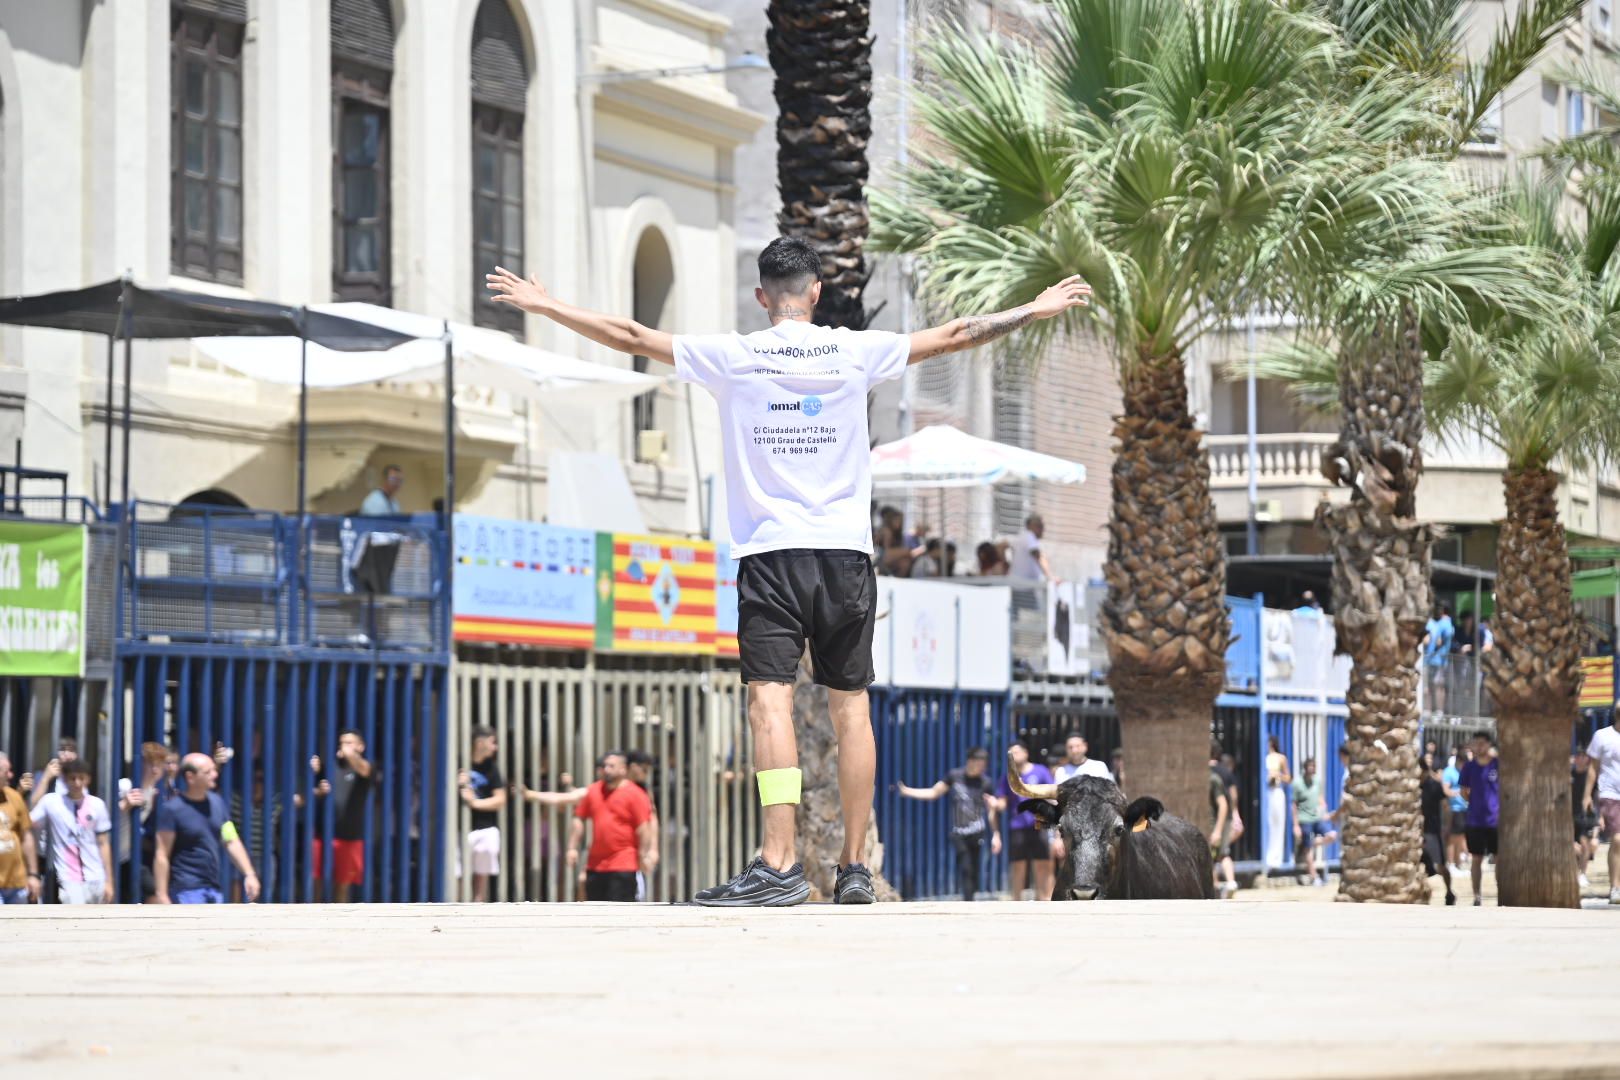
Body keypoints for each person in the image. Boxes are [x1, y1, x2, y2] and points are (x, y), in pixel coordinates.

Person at [488, 238, 1090, 906]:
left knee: (768, 702)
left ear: (760, 296)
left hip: (770, 555)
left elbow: (631, 333)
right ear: (816, 291)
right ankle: (855, 866)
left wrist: (545, 305)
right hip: (845, 556)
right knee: (851, 709)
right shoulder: (855, 350)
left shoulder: (733, 355)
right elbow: (952, 335)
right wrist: (1031, 311)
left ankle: (778, 864)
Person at [153, 753, 260, 904]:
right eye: (208, 772)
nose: (215, 775)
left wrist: (249, 874)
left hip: (213, 888)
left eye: (214, 770)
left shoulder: (217, 803)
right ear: (190, 777)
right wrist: (162, 895)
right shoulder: (173, 810)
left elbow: (231, 840)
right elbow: (162, 854)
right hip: (185, 889)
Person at [896, 747, 1002, 901]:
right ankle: (968, 902)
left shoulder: (985, 783)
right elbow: (934, 792)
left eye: (984, 764)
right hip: (958, 832)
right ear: (970, 761)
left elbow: (992, 811)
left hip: (977, 832)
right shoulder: (955, 776)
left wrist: (996, 834)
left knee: (974, 870)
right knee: (966, 867)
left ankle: (970, 898)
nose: (982, 767)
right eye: (979, 763)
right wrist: (907, 791)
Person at [567, 752, 656, 902]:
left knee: (620, 914)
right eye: (605, 766)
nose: (606, 769)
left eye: (611, 766)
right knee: (595, 912)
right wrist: (572, 848)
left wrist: (643, 856)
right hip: (595, 865)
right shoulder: (593, 791)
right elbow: (578, 819)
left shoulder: (636, 794)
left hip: (624, 864)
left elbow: (644, 828)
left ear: (623, 769)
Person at [30, 760, 113, 904]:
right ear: (64, 779)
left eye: (81, 778)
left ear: (88, 779)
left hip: (96, 877)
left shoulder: (97, 804)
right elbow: (29, 820)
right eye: (72, 778)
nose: (77, 783)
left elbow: (104, 844)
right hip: (68, 878)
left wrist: (109, 881)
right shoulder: (52, 802)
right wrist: (45, 779)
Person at [311, 729, 375, 902]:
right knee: (316, 880)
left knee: (342, 884)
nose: (344, 747)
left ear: (361, 746)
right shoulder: (331, 767)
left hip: (349, 837)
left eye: (349, 743)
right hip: (323, 834)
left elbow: (365, 769)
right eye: (342, 743)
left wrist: (350, 756)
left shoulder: (365, 769)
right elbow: (314, 789)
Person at [996, 742, 1057, 901]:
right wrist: (995, 804)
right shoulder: (1008, 776)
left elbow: (1052, 794)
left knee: (1042, 864)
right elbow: (1002, 802)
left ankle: (1044, 899)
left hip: (1040, 823)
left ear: (1026, 753)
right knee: (1018, 865)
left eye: (1016, 752)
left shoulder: (1040, 770)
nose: (1013, 756)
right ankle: (1016, 900)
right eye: (1010, 753)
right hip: (1018, 826)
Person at [459, 726, 506, 903]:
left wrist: (474, 803)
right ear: (480, 742)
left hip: (485, 828)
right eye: (493, 742)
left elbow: (500, 800)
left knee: (481, 881)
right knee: (459, 876)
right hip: (460, 829)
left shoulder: (491, 768)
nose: (496, 748)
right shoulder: (459, 762)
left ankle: (477, 916)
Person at [1582, 711, 1620, 904]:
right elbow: (1593, 768)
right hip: (1610, 794)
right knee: (1617, 839)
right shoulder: (1602, 736)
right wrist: (1587, 795)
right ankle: (1615, 888)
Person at [1458, 730, 1500, 907]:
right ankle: (1477, 896)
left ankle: (1501, 892)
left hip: (1496, 821)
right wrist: (1474, 803)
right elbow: (1464, 791)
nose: (1479, 746)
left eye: (1483, 743)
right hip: (1474, 820)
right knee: (1476, 858)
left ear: (1489, 744)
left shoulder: (1498, 764)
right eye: (1476, 743)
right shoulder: (1469, 767)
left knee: (1499, 858)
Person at [0, 752, 40, 904]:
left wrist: (33, 875)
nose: (11, 775)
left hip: (18, 884)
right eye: (6, 771)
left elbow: (26, 837)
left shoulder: (14, 797)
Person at [1291, 757, 1335, 886]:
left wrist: (1325, 812)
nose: (1311, 769)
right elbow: (1293, 805)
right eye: (1309, 766)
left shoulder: (1317, 781)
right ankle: (1314, 876)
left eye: (1313, 766)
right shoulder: (1297, 784)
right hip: (1305, 820)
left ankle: (1308, 844)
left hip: (1317, 818)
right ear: (1304, 768)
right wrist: (1296, 825)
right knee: (1309, 850)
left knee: (1332, 835)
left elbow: (1320, 798)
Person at [1420, 753, 1456, 906]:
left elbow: (1445, 805)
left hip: (1433, 830)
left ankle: (1449, 892)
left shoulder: (1433, 785)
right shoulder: (1413, 786)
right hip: (1417, 832)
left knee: (1440, 865)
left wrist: (1447, 826)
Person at [626, 749, 662, 901]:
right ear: (633, 766)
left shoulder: (644, 789)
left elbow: (652, 818)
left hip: (635, 852)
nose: (646, 773)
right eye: (644, 769)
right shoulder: (613, 786)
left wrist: (653, 849)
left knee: (637, 896)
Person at [1209, 742, 1236, 898]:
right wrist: (1235, 813)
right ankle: (1231, 882)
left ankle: (1216, 886)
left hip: (1214, 820)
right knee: (1224, 853)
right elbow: (1233, 795)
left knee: (1210, 856)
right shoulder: (1225, 771)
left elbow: (1223, 802)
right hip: (1227, 818)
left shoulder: (1206, 774)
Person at [27, 736, 80, 809]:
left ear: (76, 755)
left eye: (71, 750)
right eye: (62, 749)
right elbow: (33, 805)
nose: (67, 754)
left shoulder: (81, 778)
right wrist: (46, 778)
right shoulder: (42, 774)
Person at [1571, 747, 1598, 891]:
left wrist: (1599, 818)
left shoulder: (1591, 776)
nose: (1581, 758)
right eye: (1578, 755)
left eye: (1584, 756)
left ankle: (1582, 874)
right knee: (1573, 847)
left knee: (1586, 844)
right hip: (1569, 816)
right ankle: (1575, 873)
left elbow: (1596, 797)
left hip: (1585, 817)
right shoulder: (1569, 774)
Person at [1422, 604, 1455, 719]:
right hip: (1432, 660)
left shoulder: (1443, 624)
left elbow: (1439, 641)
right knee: (1431, 686)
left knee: (1436, 686)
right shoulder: (1436, 624)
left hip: (1437, 661)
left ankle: (1437, 711)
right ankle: (1430, 711)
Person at [1264, 735, 1291, 871]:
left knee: (1278, 823)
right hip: (1266, 792)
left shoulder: (1281, 758)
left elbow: (1288, 777)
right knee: (1268, 823)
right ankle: (1267, 856)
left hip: (1276, 791)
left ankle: (1276, 858)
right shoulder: (1263, 757)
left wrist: (1277, 775)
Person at [1444, 746, 1470, 873]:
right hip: (1454, 808)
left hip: (1465, 808)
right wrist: (1458, 793)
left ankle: (1458, 863)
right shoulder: (1449, 772)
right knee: (1453, 837)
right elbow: (1446, 790)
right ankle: (1451, 863)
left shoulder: (1464, 771)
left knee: (1461, 837)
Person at [1009, 514, 1054, 582]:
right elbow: (1038, 556)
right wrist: (1051, 576)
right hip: (1026, 585)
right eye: (1039, 526)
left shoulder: (1022, 536)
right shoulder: (1029, 536)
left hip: (1020, 583)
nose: (1043, 529)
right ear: (1030, 526)